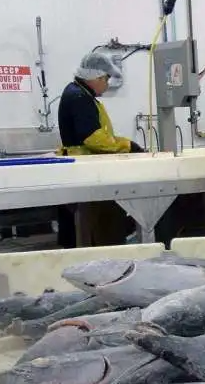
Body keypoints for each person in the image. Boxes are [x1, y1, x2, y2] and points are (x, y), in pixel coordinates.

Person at [56, 52, 144, 248]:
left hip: (88, 169)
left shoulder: (79, 93)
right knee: (100, 228)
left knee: (98, 225)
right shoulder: (79, 97)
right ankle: (104, 255)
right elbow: (93, 138)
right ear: (96, 77)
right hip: (88, 173)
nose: (107, 84)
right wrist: (127, 146)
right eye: (106, 79)